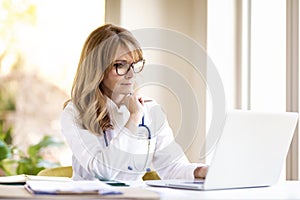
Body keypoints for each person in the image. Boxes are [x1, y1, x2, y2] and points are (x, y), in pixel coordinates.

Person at [61, 24, 208, 181]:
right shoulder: (75, 113)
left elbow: (172, 167)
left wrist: (202, 170)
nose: (131, 74)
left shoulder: (151, 110)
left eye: (134, 65)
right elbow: (103, 171)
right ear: (98, 70)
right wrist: (134, 118)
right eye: (120, 65)